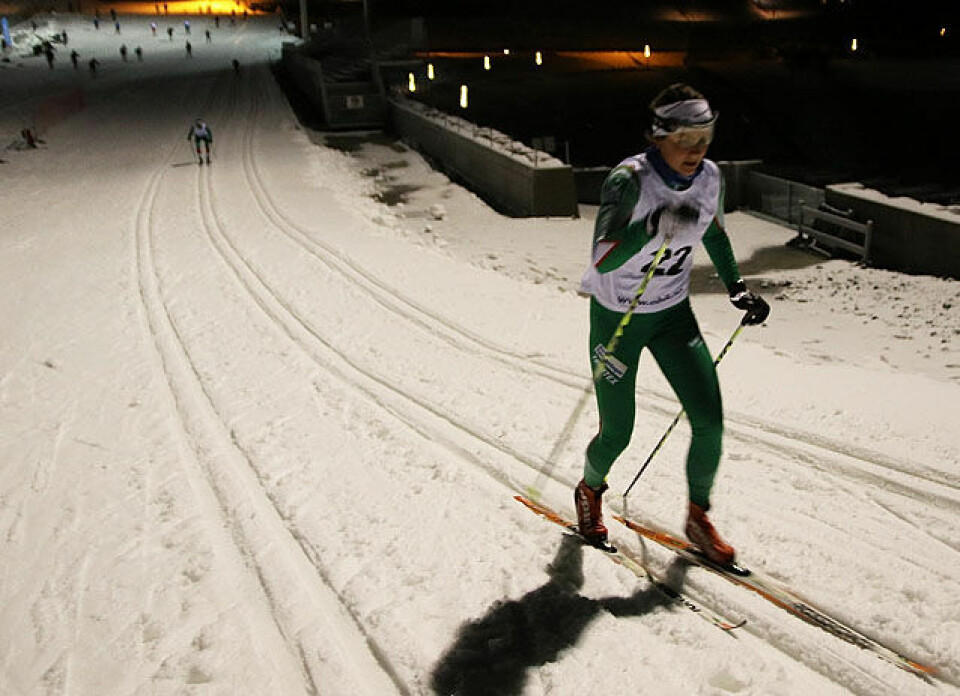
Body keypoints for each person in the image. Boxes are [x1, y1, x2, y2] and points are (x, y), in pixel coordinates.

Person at [575, 83, 770, 565]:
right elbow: (601, 259)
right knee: (618, 432)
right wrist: (650, 226)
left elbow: (716, 235)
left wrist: (736, 287)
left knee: (710, 421)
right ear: (659, 134)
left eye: (705, 136)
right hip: (618, 316)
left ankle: (697, 517)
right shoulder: (629, 180)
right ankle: (589, 488)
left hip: (671, 314)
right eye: (685, 138)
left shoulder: (709, 178)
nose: (696, 149)